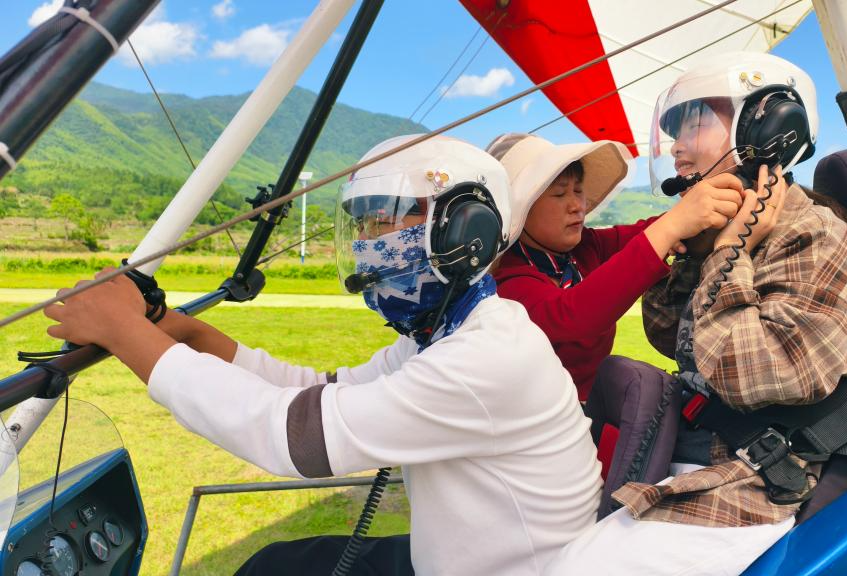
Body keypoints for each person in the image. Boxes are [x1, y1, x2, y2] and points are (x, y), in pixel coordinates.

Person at [44, 135, 602, 576]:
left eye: (386, 219)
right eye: (362, 224)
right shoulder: (447, 334)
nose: (368, 242)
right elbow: (321, 388)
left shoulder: (486, 358)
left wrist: (124, 332)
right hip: (460, 560)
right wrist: (185, 332)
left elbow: (295, 437)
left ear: (467, 231)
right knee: (272, 566)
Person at [544, 52, 847, 575]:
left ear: (768, 127)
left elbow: (748, 375)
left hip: (754, 481)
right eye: (675, 131)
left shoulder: (814, 237)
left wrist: (730, 252)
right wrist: (694, 244)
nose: (677, 147)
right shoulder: (732, 232)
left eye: (696, 122)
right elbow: (667, 334)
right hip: (700, 454)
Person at [487, 133, 745, 401]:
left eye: (578, 190)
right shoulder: (508, 283)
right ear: (521, 211)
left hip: (592, 413)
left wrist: (701, 210)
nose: (578, 205)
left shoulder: (585, 248)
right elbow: (574, 314)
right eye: (560, 193)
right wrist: (673, 225)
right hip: (547, 428)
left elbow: (643, 233)